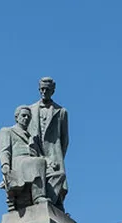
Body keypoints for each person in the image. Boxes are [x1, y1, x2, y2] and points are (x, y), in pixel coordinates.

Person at [28, 77, 69, 210]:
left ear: (53, 90)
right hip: (35, 150)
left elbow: (64, 138)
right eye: (42, 89)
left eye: (47, 89)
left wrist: (57, 155)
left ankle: (52, 205)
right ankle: (43, 204)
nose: (44, 92)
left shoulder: (61, 111)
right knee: (39, 176)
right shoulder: (30, 110)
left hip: (54, 153)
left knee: (58, 176)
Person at [0, 105, 46, 211]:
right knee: (39, 162)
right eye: (24, 116)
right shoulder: (8, 131)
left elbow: (39, 153)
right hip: (18, 163)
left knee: (50, 168)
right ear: (16, 117)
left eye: (29, 117)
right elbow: (4, 151)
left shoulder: (32, 137)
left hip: (30, 161)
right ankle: (38, 196)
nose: (26, 118)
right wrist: (5, 165)